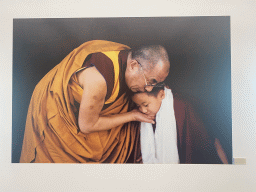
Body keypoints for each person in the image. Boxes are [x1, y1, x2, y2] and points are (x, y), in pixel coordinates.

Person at [19, 40, 170, 163]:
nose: (149, 90)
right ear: (133, 66)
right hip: (53, 109)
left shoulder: (128, 55)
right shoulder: (99, 80)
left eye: (155, 85)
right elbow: (86, 125)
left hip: (88, 105)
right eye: (150, 82)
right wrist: (133, 115)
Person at [131, 86, 229, 164]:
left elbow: (207, 141)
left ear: (161, 95)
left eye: (146, 105)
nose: (143, 110)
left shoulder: (181, 106)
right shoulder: (147, 114)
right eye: (138, 106)